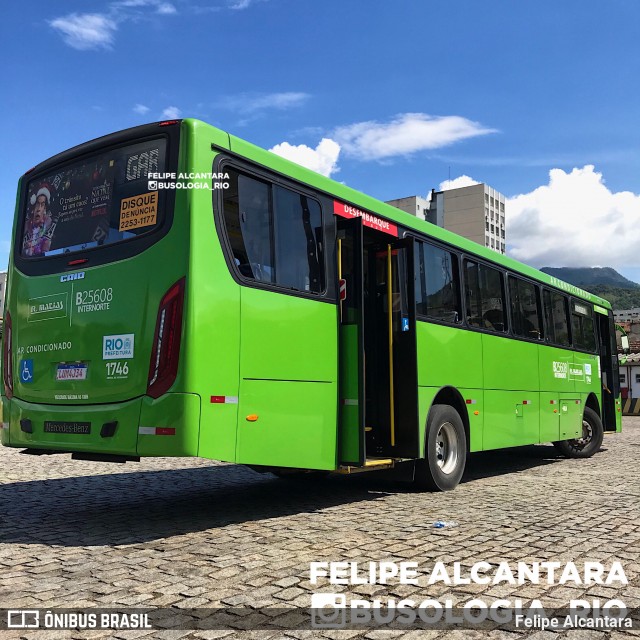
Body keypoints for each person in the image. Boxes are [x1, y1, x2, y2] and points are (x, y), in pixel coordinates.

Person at [23, 187, 54, 256]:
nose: (39, 209)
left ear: (45, 208)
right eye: (37, 204)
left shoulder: (48, 222)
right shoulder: (26, 225)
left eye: (42, 205)